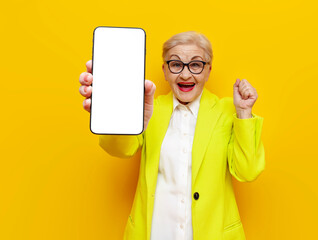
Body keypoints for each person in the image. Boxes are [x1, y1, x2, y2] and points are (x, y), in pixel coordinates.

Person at [79, 31, 265, 240]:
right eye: (176, 64)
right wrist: (114, 115)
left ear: (208, 70)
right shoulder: (149, 109)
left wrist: (244, 113)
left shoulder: (227, 110)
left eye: (196, 65)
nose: (185, 75)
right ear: (165, 70)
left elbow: (247, 171)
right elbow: (120, 149)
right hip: (156, 233)